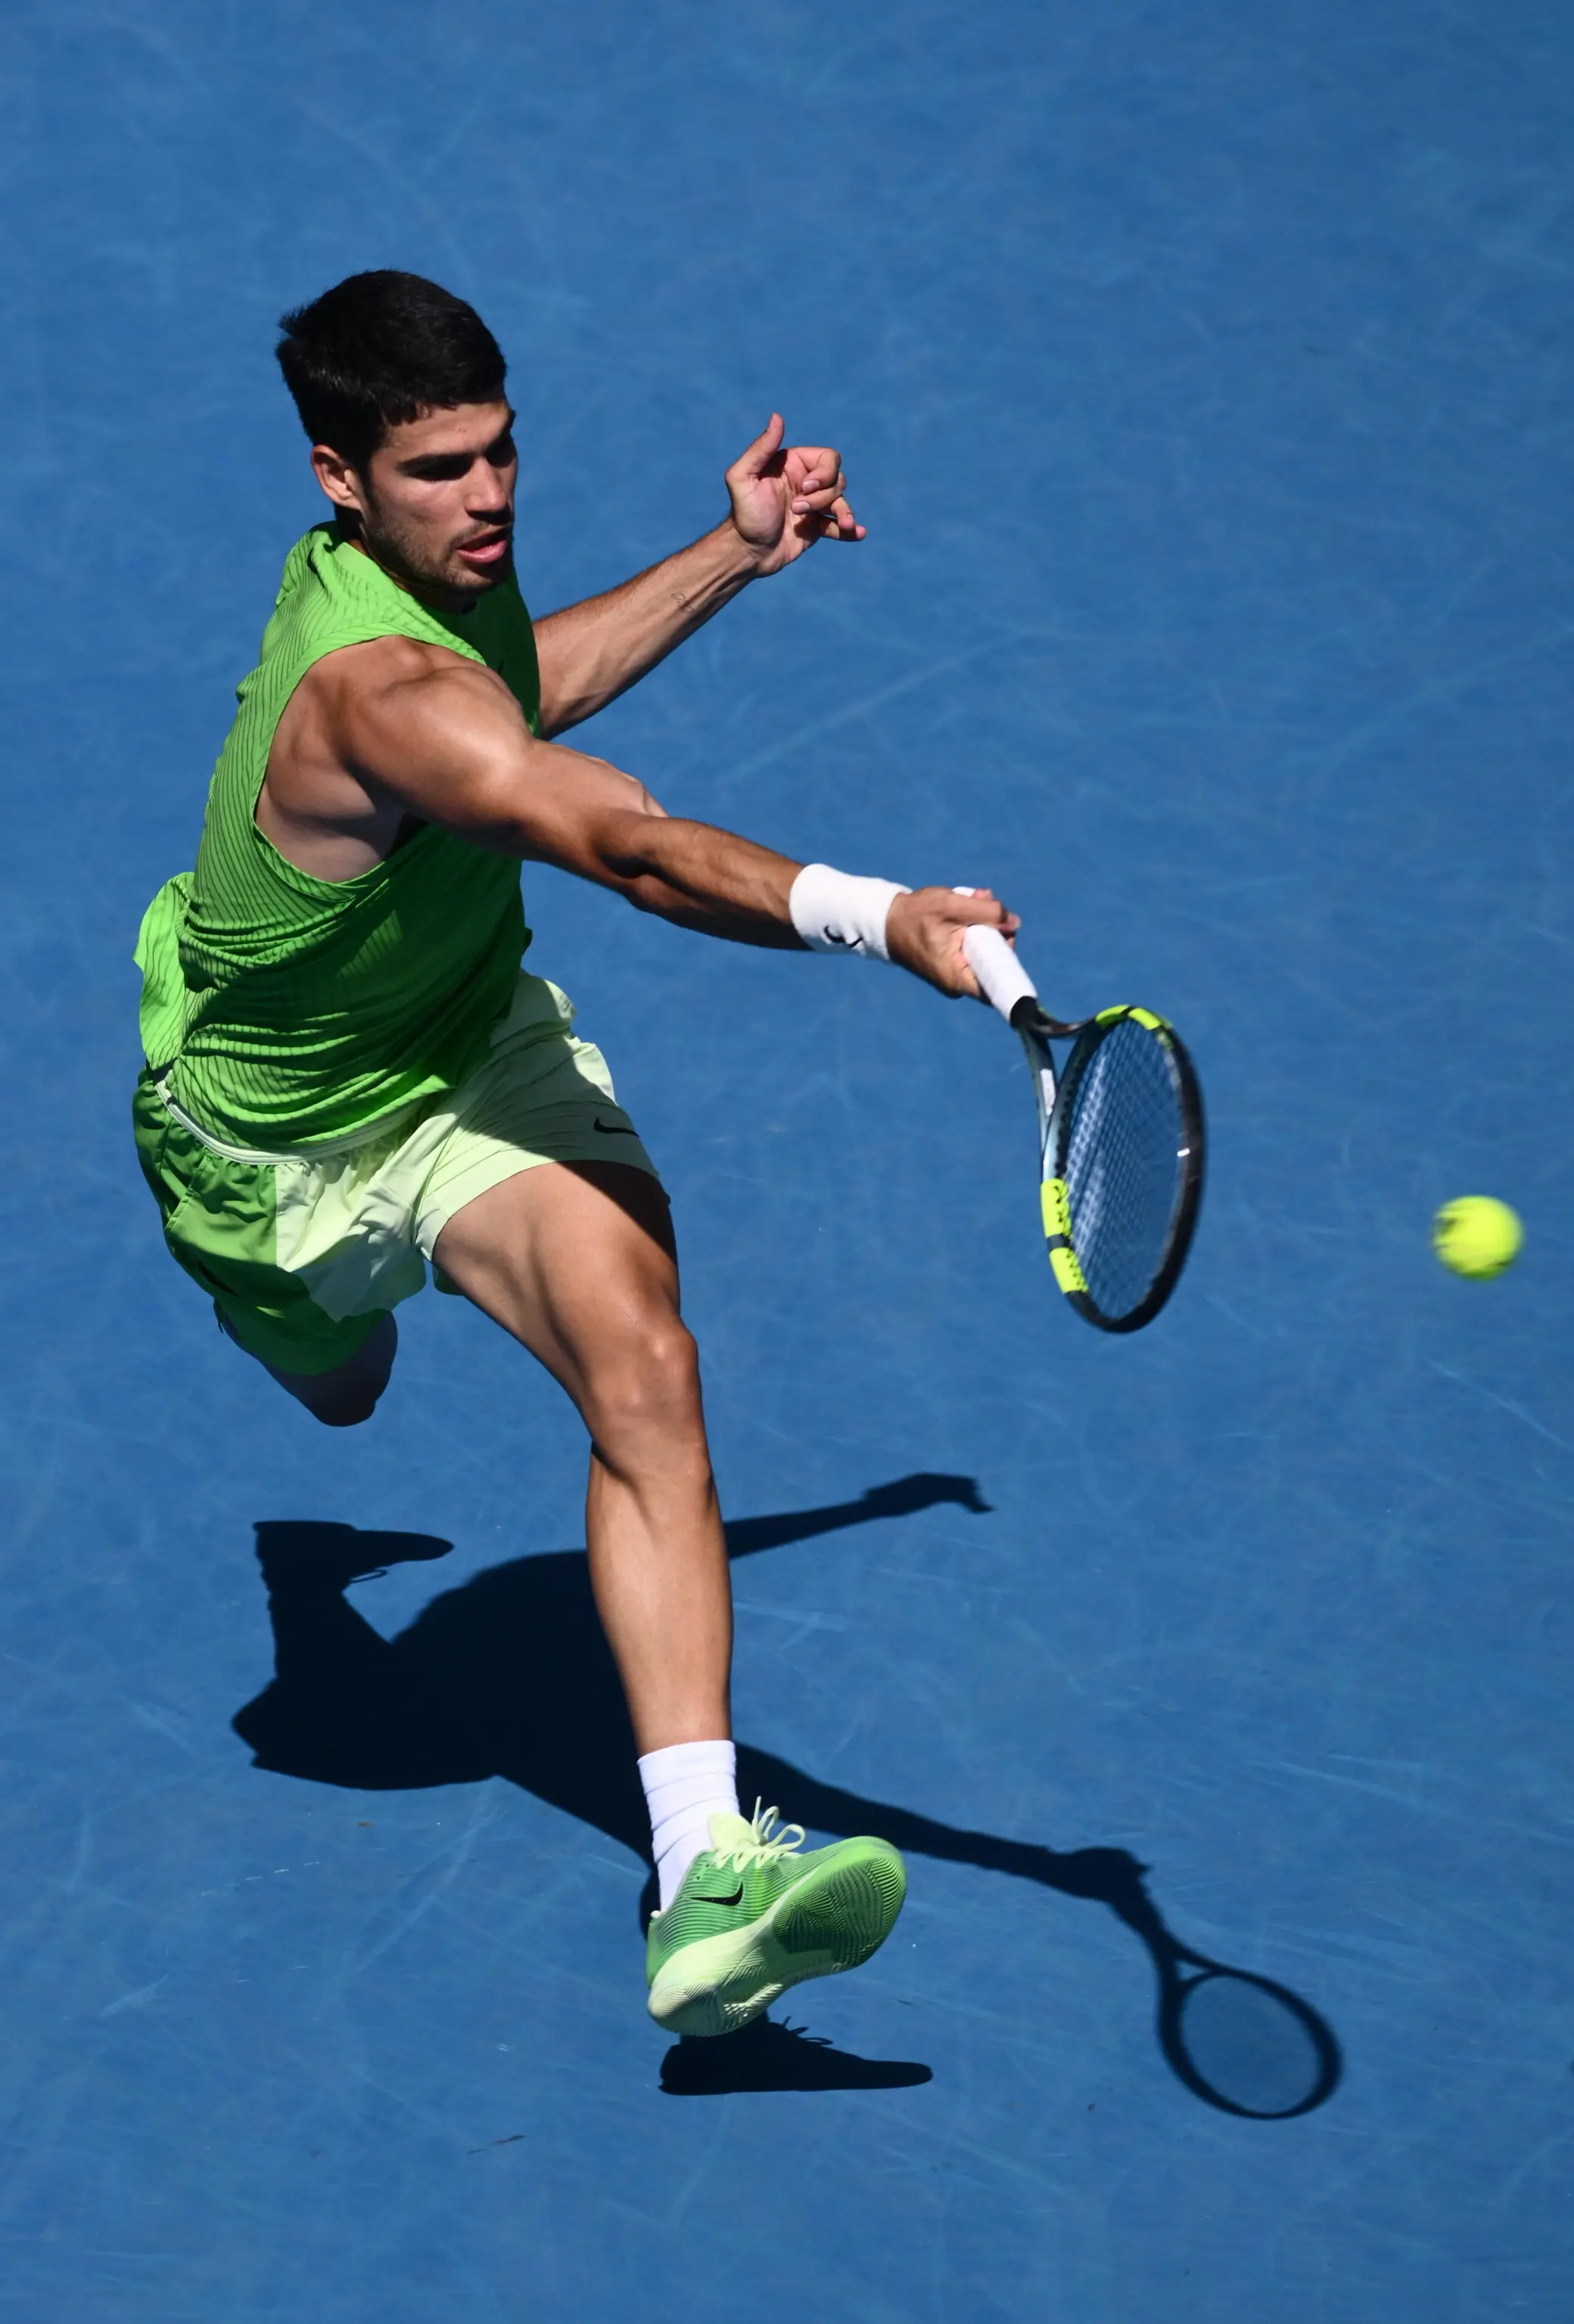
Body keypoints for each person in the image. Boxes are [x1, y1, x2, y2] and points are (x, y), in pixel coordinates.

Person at [132, 269, 1018, 2040]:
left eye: (504, 455)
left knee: (647, 1363)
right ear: (339, 477)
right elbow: (619, 843)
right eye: (443, 471)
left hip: (462, 1055)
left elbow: (534, 690)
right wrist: (879, 917)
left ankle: (703, 1879)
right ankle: (305, 1560)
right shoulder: (373, 691)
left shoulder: (445, 596)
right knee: (345, 1391)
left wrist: (731, 549)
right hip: (272, 1151)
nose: (492, 500)